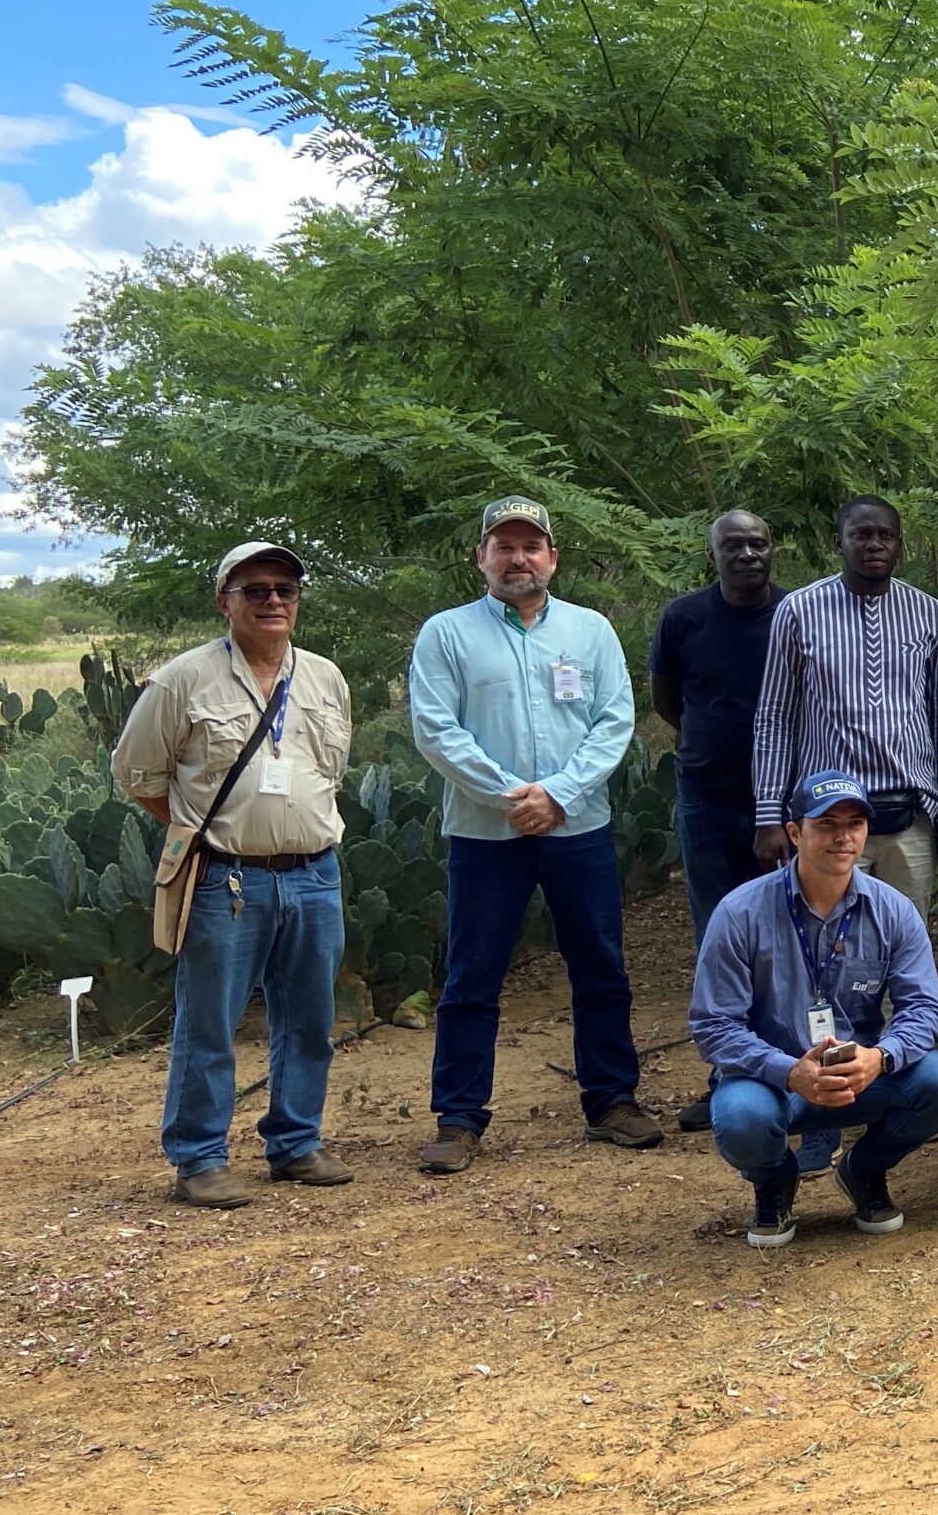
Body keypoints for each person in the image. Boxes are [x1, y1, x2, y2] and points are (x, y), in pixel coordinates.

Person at [409, 497, 658, 1173]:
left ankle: (612, 1100)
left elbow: (614, 720)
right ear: (481, 557)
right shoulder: (447, 634)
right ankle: (459, 1117)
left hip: (579, 827)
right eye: (504, 545)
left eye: (531, 545)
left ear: (553, 557)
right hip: (486, 834)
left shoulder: (591, 630)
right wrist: (509, 795)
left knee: (600, 966)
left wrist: (560, 793)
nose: (518, 557)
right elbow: (435, 728)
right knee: (472, 976)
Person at [110, 542, 356, 1208]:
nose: (273, 599)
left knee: (309, 1019)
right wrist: (196, 829)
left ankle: (296, 1143)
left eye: (285, 588)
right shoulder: (182, 680)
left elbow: (329, 772)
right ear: (225, 599)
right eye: (255, 589)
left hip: (314, 875)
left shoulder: (326, 677)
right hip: (226, 879)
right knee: (209, 1023)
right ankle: (198, 1157)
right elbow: (135, 773)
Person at [688, 772, 938, 1247]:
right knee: (740, 1119)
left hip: (862, 1076)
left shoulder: (894, 910)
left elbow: (923, 1007)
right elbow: (714, 1025)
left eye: (855, 823)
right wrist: (788, 1070)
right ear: (795, 833)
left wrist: (880, 1057)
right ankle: (775, 1180)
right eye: (827, 823)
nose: (843, 836)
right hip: (773, 1081)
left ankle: (864, 1171)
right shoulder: (740, 912)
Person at [751, 495, 938, 915]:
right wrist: (768, 814)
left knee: (904, 939)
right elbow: (774, 718)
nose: (874, 545)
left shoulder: (930, 615)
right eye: (862, 535)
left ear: (900, 546)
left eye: (885, 536)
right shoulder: (798, 612)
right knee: (827, 938)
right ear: (839, 542)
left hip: (910, 814)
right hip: (827, 814)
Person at [650, 509, 787, 1132]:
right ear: (714, 555)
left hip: (784, 803)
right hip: (706, 798)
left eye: (757, 544)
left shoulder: (794, 614)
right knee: (718, 940)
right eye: (734, 545)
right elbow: (667, 700)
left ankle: (791, 1069)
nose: (748, 554)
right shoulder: (684, 618)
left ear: (771, 551)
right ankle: (726, 1076)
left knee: (787, 939)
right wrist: (712, 744)